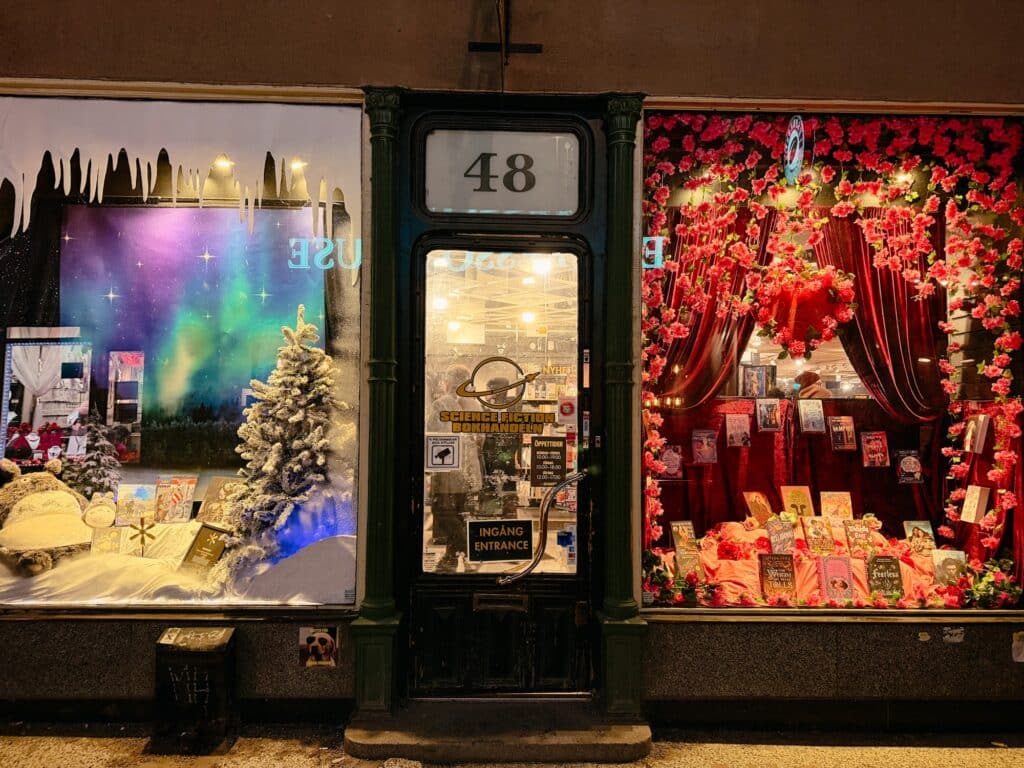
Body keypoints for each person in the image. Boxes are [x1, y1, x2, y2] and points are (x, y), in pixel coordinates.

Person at [426, 364, 483, 571]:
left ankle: (466, 550)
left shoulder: (441, 404)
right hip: (470, 470)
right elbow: (481, 439)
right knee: (462, 512)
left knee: (442, 510)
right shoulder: (476, 405)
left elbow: (432, 433)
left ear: (448, 382)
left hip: (448, 468)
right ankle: (452, 556)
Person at [479, 377, 522, 518]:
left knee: (509, 481)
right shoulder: (484, 406)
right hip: (490, 451)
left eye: (488, 388)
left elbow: (518, 433)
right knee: (489, 481)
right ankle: (489, 512)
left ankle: (509, 512)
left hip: (507, 451)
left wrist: (517, 456)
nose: (486, 392)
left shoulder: (514, 405)